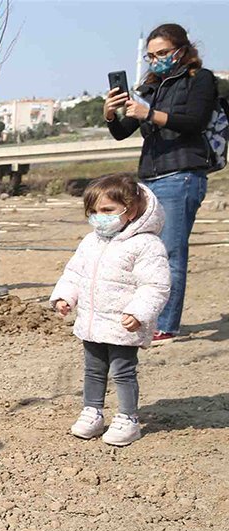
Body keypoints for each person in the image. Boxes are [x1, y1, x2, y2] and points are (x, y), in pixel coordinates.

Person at [104, 23, 218, 344]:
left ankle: (166, 325)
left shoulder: (201, 79)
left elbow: (194, 122)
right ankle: (146, 317)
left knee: (170, 252)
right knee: (145, 252)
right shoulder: (152, 86)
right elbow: (122, 131)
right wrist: (111, 114)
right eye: (151, 55)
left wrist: (149, 112)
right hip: (150, 177)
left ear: (182, 50)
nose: (156, 60)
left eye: (163, 53)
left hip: (182, 173)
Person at [50, 174, 169, 446]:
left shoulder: (146, 245)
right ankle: (92, 412)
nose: (98, 217)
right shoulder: (91, 242)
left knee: (123, 371)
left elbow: (156, 285)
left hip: (123, 323)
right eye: (93, 212)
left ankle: (128, 418)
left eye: (107, 211)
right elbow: (75, 272)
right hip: (92, 322)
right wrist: (65, 297)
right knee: (93, 369)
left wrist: (139, 312)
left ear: (131, 210)